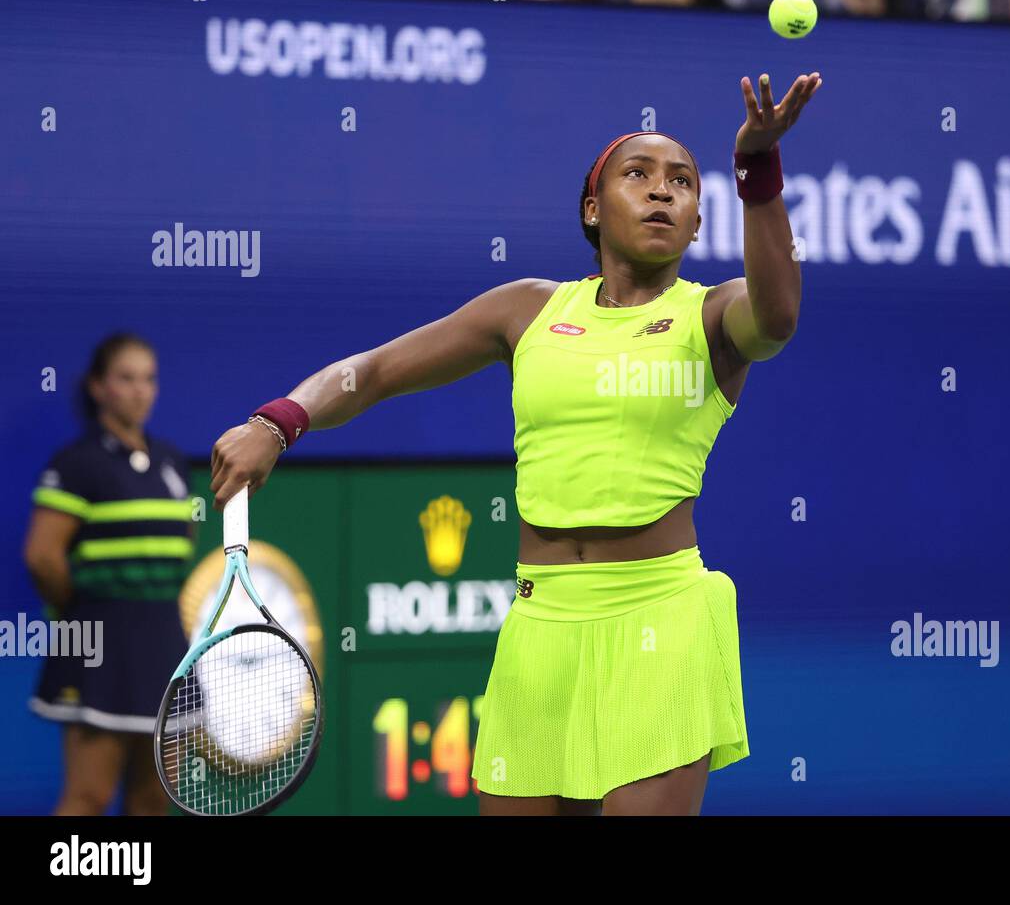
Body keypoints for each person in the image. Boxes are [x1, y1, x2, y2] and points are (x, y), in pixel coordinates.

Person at [208, 71, 822, 814]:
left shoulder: (714, 315)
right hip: (540, 621)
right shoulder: (527, 310)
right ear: (594, 210)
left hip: (661, 618)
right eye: (639, 175)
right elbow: (371, 373)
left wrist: (757, 168)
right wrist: (277, 422)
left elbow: (779, 317)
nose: (663, 191)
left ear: (697, 223)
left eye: (683, 183)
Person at [24, 332, 195, 815]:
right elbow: (42, 557)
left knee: (153, 800)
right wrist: (79, 614)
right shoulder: (77, 465)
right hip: (99, 647)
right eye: (126, 378)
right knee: (88, 797)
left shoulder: (171, 463)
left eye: (148, 379)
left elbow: (180, 545)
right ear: (98, 387)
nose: (140, 391)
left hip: (164, 646)